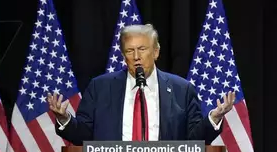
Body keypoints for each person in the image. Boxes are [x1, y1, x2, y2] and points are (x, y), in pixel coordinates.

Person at [47, 24, 235, 145]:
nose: (136, 57)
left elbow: (195, 141)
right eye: (130, 51)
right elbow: (84, 138)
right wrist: (65, 119)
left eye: (142, 49)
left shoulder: (181, 90)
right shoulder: (100, 88)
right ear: (123, 55)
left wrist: (214, 117)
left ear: (156, 52)